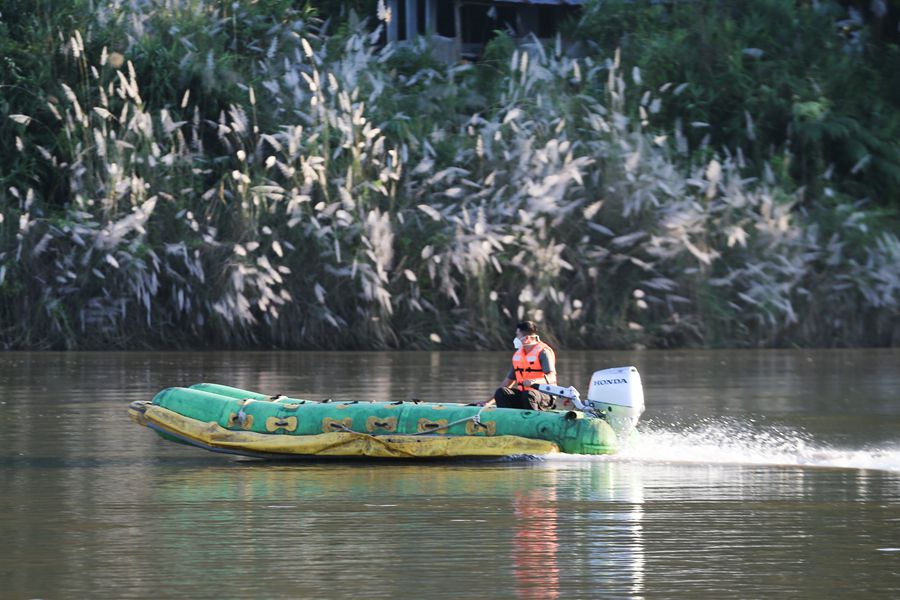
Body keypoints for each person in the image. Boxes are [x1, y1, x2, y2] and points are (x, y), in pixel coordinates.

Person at [492, 320, 557, 411]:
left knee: (529, 394)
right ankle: (510, 420)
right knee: (501, 392)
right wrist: (488, 402)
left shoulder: (544, 352)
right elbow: (507, 383)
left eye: (518, 335)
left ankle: (533, 421)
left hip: (545, 397)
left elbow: (552, 377)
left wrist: (534, 381)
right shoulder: (518, 356)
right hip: (525, 396)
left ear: (526, 339)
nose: (516, 338)